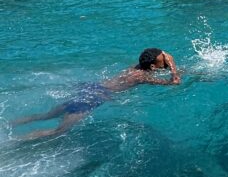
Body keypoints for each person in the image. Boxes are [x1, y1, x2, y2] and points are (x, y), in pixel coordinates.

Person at [12, 48, 181, 140]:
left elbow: (155, 58)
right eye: (162, 61)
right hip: (93, 98)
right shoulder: (143, 77)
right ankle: (10, 143)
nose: (165, 60)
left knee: (45, 116)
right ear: (152, 67)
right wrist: (172, 66)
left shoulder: (136, 68)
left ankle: (9, 123)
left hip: (90, 88)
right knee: (59, 131)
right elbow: (174, 83)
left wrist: (163, 59)